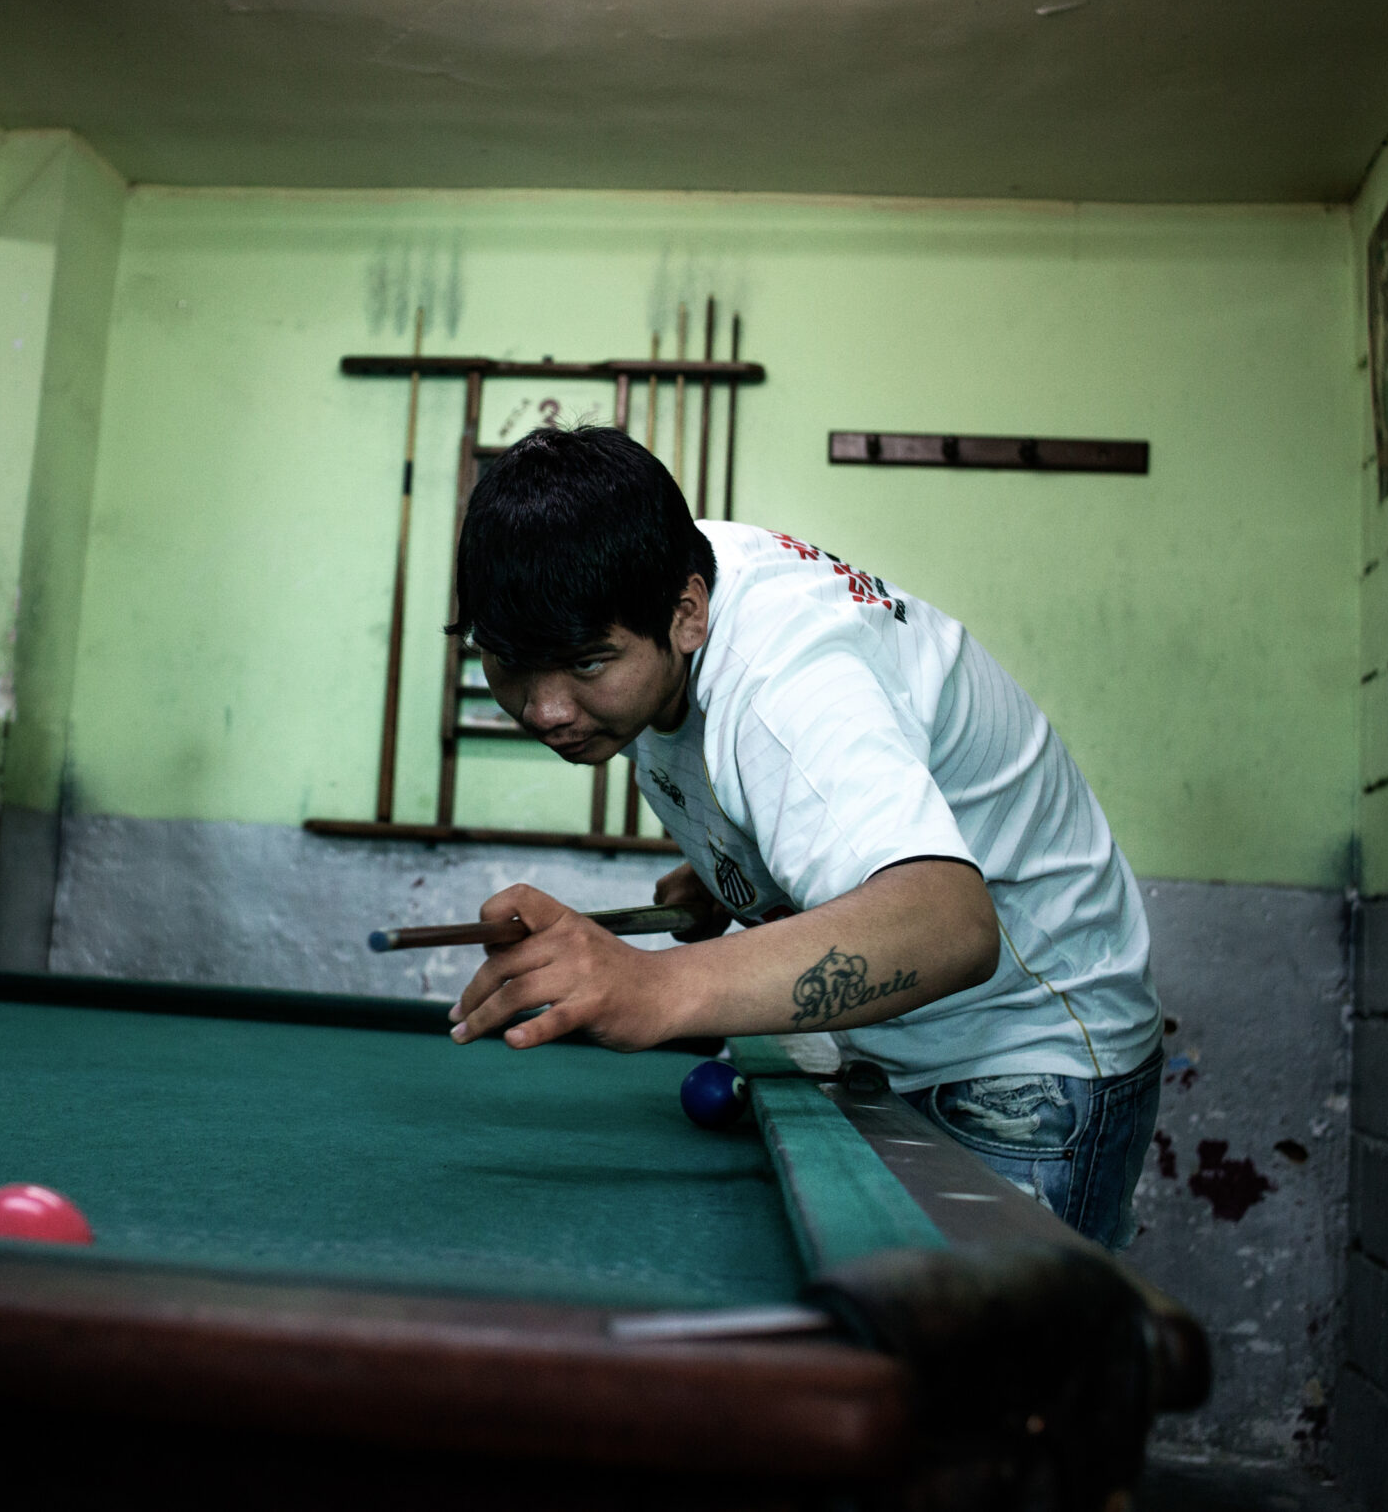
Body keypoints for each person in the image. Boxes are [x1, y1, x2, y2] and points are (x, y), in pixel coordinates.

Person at [442, 425, 1163, 1250]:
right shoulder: (651, 570)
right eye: (506, 665)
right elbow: (811, 782)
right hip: (908, 1045)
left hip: (1031, 1058)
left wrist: (656, 987)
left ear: (686, 614)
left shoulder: (789, 679)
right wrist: (732, 862)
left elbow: (950, 925)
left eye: (586, 665)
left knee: (975, 1379)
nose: (544, 709)